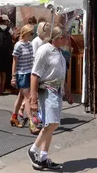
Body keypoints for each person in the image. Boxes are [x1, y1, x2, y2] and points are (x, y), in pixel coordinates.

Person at [27, 27, 73, 170]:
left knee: (52, 125)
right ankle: (33, 150)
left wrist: (67, 91)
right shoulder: (44, 50)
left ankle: (43, 157)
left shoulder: (58, 51)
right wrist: (33, 99)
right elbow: (34, 75)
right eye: (64, 37)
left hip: (57, 90)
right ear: (57, 38)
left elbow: (60, 74)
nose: (66, 40)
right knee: (51, 123)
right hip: (47, 90)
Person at [10, 24, 34, 127]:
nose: (32, 35)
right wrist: (13, 76)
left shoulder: (29, 44)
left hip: (29, 73)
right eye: (31, 33)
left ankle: (14, 117)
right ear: (26, 33)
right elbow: (14, 62)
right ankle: (32, 120)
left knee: (21, 97)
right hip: (21, 74)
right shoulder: (18, 45)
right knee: (28, 98)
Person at [0, 15, 13, 96]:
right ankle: (2, 89)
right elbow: (14, 37)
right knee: (4, 72)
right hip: (6, 52)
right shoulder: (9, 29)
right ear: (6, 21)